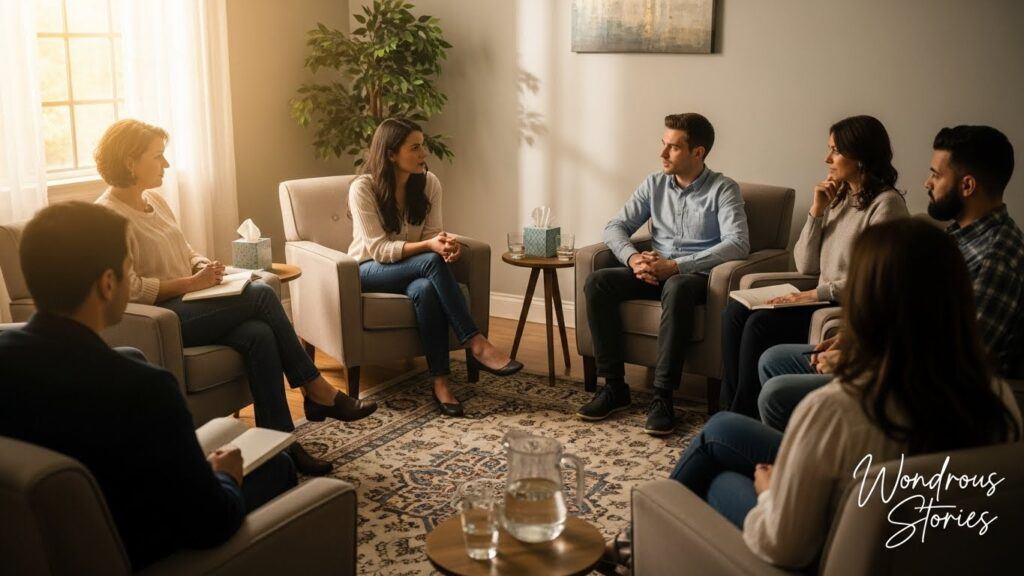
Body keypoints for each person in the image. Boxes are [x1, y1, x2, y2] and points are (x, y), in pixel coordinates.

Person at [669, 219, 1021, 569]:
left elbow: (784, 548)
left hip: (831, 553)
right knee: (722, 428)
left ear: (868, 302)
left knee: (721, 480)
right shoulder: (997, 399)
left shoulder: (836, 410)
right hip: (931, 556)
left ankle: (639, 541)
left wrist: (770, 494)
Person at [0, 202, 298, 570]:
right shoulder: (144, 388)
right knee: (278, 466)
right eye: (129, 268)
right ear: (108, 284)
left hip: (39, 551)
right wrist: (223, 477)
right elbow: (211, 523)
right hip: (136, 547)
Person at [93, 118, 375, 476]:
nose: (165, 165)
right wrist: (190, 283)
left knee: (258, 334)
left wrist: (204, 267)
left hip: (192, 302)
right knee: (260, 294)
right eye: (157, 157)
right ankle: (316, 388)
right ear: (130, 162)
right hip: (162, 319)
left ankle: (282, 447)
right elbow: (129, 289)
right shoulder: (107, 216)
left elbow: (185, 249)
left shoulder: (155, 201)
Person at [757, 124, 1022, 431]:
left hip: (920, 388)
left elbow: (956, 359)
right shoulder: (958, 237)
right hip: (895, 359)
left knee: (775, 397)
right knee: (773, 359)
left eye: (936, 175)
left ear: (967, 186)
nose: (927, 182)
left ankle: (804, 471)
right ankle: (804, 459)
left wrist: (861, 361)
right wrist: (856, 339)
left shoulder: (997, 258)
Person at [720, 115, 908, 418]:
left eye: (835, 150)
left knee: (760, 325)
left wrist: (814, 294)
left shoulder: (886, 206)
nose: (827, 158)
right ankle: (728, 408)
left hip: (845, 304)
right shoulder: (839, 197)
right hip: (820, 296)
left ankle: (744, 413)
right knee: (734, 312)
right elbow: (805, 264)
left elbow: (879, 281)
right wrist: (817, 211)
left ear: (860, 156)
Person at [577, 113, 750, 435]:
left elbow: (738, 244)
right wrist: (633, 260)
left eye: (672, 147)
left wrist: (677, 266)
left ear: (697, 152)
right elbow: (616, 226)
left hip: (695, 278)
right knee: (598, 282)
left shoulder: (723, 189)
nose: (662, 154)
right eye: (663, 145)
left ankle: (663, 396)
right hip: (653, 272)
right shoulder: (654, 184)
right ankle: (615, 387)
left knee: (679, 287)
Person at [348, 117, 522, 417]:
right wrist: (430, 250)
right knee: (428, 261)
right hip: (368, 269)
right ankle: (476, 341)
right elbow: (378, 250)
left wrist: (446, 247)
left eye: (422, 146)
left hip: (413, 271)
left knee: (426, 288)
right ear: (391, 153)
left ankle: (441, 383)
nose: (423, 154)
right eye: (414, 148)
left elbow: (431, 236)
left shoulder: (429, 183)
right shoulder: (363, 188)